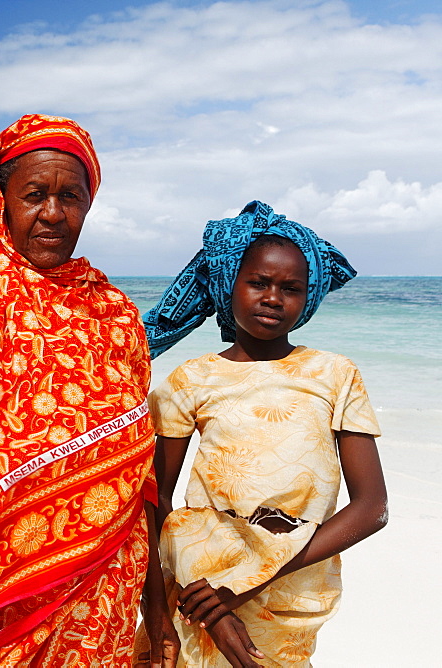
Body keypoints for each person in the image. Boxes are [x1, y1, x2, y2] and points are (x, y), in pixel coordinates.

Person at [0, 114, 177, 666]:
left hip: (102, 606)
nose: (53, 213)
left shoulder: (116, 313)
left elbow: (136, 480)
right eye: (34, 195)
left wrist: (158, 612)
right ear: (1, 199)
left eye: (70, 196)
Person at [137, 201, 389, 667]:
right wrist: (177, 606)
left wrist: (252, 579)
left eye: (290, 288)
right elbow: (156, 504)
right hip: (200, 589)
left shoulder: (335, 374)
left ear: (307, 299)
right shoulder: (190, 380)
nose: (273, 297)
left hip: (291, 588)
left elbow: (372, 507)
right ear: (229, 286)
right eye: (258, 282)